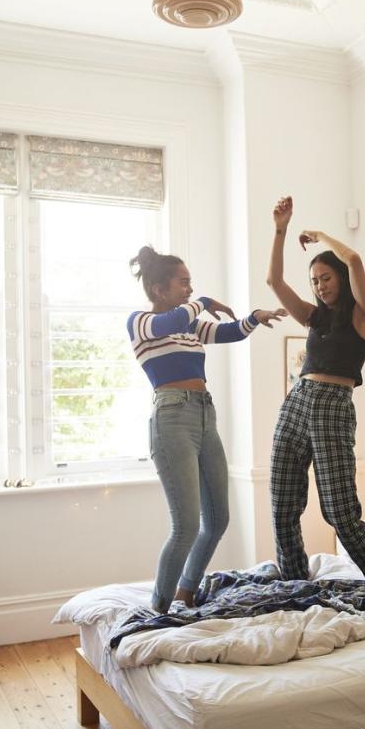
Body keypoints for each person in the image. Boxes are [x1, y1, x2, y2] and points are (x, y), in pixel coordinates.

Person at [127, 246, 286, 613]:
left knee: (217, 520)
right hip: (172, 419)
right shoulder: (140, 322)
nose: (188, 289)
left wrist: (255, 318)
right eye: (182, 283)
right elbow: (169, 323)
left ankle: (186, 591)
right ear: (158, 289)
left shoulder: (191, 325)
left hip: (204, 415)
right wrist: (204, 299)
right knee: (184, 526)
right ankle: (158, 610)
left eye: (190, 284)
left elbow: (228, 333)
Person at [265, 196, 365, 582]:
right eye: (315, 281)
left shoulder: (362, 316)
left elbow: (354, 259)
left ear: (340, 277)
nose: (320, 287)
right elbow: (273, 282)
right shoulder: (313, 317)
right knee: (282, 502)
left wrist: (320, 235)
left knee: (339, 511)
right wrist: (281, 230)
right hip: (296, 401)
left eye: (326, 278)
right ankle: (294, 582)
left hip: (332, 405)